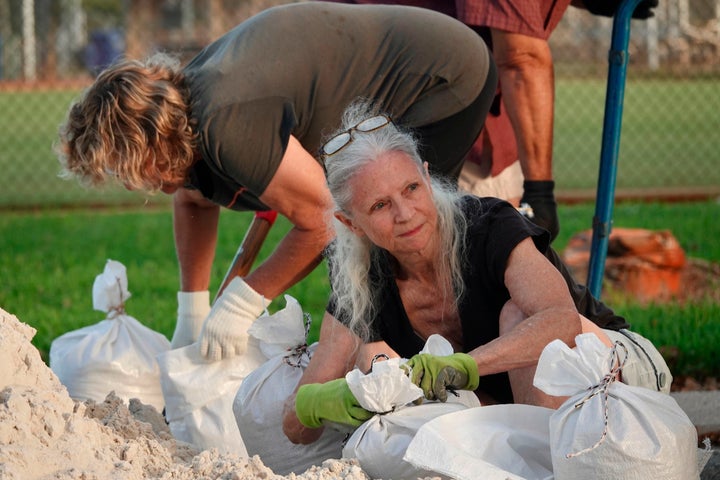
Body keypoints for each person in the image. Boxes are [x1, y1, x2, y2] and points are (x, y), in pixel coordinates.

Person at [55, 2, 498, 360]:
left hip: (440, 78)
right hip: (390, 75)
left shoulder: (227, 123)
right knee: (374, 243)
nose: (136, 186)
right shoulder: (184, 116)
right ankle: (393, 364)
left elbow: (324, 218)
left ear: (149, 142)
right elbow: (193, 201)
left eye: (130, 171)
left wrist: (245, 300)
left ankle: (464, 362)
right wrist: (191, 315)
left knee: (401, 237)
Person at [281, 103, 672, 445]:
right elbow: (295, 425)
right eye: (381, 205)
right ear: (351, 224)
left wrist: (463, 366)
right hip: (513, 404)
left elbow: (561, 320)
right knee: (371, 359)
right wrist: (336, 399)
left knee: (517, 316)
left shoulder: (489, 225)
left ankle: (553, 467)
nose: (405, 213)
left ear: (428, 176)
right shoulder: (361, 280)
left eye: (412, 188)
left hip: (614, 368)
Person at [325, 0, 659, 242]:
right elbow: (520, 57)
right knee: (480, 264)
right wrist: (540, 192)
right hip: (426, 105)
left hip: (358, 88)